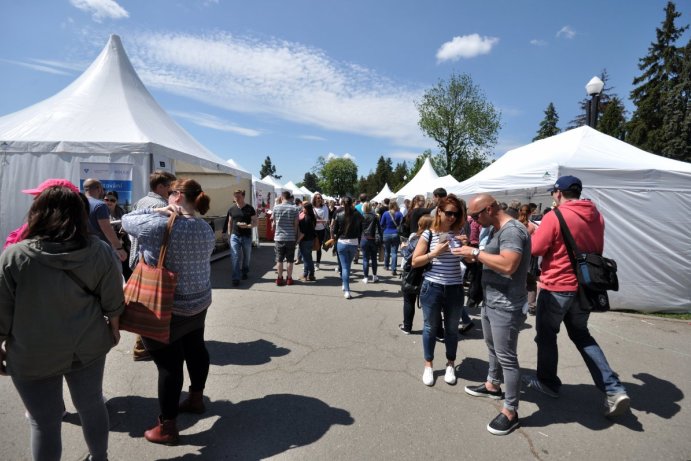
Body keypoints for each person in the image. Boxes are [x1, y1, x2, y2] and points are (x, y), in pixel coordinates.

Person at [0, 185, 123, 461]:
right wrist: (114, 330)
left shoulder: (15, 256)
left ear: (38, 212)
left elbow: (1, 311)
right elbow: (113, 299)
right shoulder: (99, 251)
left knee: (43, 421)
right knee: (91, 406)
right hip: (87, 346)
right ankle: (99, 458)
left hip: (32, 354)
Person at [522, 175, 630, 418]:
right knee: (582, 335)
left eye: (553, 192)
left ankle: (548, 382)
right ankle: (613, 389)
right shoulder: (596, 215)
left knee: (547, 336)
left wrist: (531, 232)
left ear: (559, 193)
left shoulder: (555, 216)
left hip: (557, 285)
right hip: (584, 286)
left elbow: (537, 249)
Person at [122, 178, 216, 445]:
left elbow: (126, 219)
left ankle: (167, 427)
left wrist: (156, 210)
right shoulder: (205, 228)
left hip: (166, 304)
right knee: (196, 348)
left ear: (175, 196)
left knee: (169, 366)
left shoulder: (159, 224)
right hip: (198, 302)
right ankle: (196, 398)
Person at [459, 194, 531, 436]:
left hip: (506, 304)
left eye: (476, 216)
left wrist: (476, 253)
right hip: (492, 301)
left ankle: (511, 411)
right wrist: (472, 251)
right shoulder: (495, 229)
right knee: (493, 348)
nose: (474, 221)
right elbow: (491, 258)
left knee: (507, 357)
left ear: (490, 209)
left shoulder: (512, 231)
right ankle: (492, 385)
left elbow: (509, 265)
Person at [411, 195, 467, 387]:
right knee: (430, 327)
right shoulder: (429, 234)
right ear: (439, 212)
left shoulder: (459, 234)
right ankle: (428, 365)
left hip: (455, 288)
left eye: (456, 214)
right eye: (449, 213)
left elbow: (468, 261)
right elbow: (415, 261)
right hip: (432, 287)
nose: (452, 217)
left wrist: (467, 250)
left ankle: (451, 363)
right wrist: (435, 253)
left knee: (452, 329)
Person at [128, 170, 176, 362]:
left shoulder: (141, 202)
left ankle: (144, 346)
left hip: (139, 257)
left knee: (144, 304)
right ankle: (145, 347)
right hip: (152, 261)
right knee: (153, 306)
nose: (173, 191)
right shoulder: (161, 205)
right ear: (161, 187)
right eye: (170, 186)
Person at [4, 178, 81, 249]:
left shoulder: (30, 229)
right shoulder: (85, 240)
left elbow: (11, 248)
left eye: (39, 197)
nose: (35, 200)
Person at [399, 214, 433, 334]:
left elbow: (408, 256)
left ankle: (407, 326)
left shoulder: (418, 239)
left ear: (421, 225)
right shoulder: (436, 239)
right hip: (429, 272)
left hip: (413, 273)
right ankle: (438, 331)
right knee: (431, 304)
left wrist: (403, 247)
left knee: (409, 300)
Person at [82, 178, 127, 264]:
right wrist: (119, 248)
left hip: (81, 247)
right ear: (99, 189)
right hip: (99, 249)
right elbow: (107, 229)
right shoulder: (100, 205)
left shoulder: (78, 201)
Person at [222, 189, 257, 287]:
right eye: (235, 196)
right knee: (235, 256)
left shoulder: (250, 208)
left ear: (243, 196)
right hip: (235, 235)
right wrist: (229, 235)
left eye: (239, 196)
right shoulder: (232, 209)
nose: (237, 198)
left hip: (246, 236)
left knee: (247, 256)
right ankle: (235, 278)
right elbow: (229, 222)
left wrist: (247, 226)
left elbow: (255, 222)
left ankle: (245, 271)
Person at [333, 196, 363, 299]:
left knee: (345, 267)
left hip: (342, 242)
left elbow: (335, 230)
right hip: (353, 243)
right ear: (352, 203)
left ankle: (346, 288)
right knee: (347, 266)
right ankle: (345, 285)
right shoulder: (357, 214)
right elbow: (361, 228)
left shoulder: (339, 214)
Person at [272, 191, 299, 286]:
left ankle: (279, 278)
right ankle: (289, 279)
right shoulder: (295, 208)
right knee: (290, 260)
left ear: (282, 197)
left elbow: (274, 223)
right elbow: (296, 224)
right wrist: (295, 236)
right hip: (290, 237)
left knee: (279, 259)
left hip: (279, 237)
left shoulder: (276, 207)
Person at [104, 190, 132, 279]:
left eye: (112, 200)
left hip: (122, 244)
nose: (109, 202)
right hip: (107, 245)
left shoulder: (122, 211)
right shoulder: (101, 211)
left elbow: (128, 225)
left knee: (126, 270)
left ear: (116, 201)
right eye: (107, 200)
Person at [360, 202, 382, 284]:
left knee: (365, 259)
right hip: (373, 240)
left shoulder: (361, 217)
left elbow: (359, 229)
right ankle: (375, 276)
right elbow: (379, 229)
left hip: (364, 239)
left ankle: (365, 277)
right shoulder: (375, 217)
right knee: (374, 259)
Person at [380, 201, 403, 275]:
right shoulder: (399, 214)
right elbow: (402, 224)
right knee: (394, 252)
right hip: (396, 233)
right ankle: (394, 269)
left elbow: (382, 224)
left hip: (386, 233)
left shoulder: (385, 213)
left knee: (387, 251)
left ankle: (386, 266)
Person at [297, 202, 317, 281]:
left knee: (306, 259)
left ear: (307, 209)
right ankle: (310, 274)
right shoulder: (312, 217)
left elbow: (303, 232)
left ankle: (306, 274)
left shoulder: (306, 218)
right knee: (309, 258)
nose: (302, 209)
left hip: (305, 240)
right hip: (311, 239)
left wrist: (297, 240)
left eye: (303, 208)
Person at [312, 193, 329, 270]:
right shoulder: (311, 208)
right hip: (312, 230)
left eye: (320, 198)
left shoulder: (324, 207)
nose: (319, 199)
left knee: (318, 247)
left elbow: (326, 220)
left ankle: (317, 264)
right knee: (310, 246)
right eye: (317, 198)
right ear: (314, 199)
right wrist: (317, 221)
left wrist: (316, 221)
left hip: (321, 230)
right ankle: (308, 263)